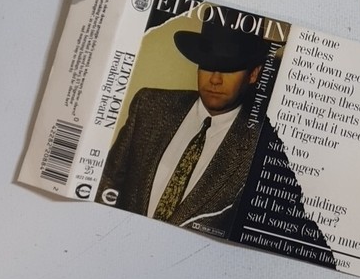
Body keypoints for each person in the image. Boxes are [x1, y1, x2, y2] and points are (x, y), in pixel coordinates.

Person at [96, 18, 270, 235]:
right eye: (207, 65)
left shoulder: (260, 148)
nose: (215, 79)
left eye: (229, 69)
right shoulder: (149, 106)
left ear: (253, 74)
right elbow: (107, 181)